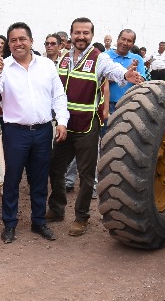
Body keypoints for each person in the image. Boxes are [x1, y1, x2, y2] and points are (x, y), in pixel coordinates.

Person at [48, 18, 143, 236]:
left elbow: (114, 71)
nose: (81, 37)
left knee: (86, 175)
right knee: (55, 168)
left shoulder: (99, 58)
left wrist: (126, 75)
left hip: (86, 127)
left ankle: (81, 217)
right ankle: (57, 208)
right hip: (64, 126)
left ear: (92, 35)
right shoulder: (62, 58)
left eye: (86, 33)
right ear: (70, 35)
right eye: (77, 33)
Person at [0, 23, 66, 244]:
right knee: (12, 179)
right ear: (9, 44)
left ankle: (39, 221)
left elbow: (58, 95)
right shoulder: (3, 66)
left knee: (39, 179)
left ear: (31, 41)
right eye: (13, 40)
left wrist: (62, 121)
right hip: (15, 132)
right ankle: (9, 224)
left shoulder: (47, 65)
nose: (18, 43)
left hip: (42, 131)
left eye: (22, 39)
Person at [104, 29, 147, 114]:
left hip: (130, 105)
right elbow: (100, 81)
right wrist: (126, 74)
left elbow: (142, 81)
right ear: (117, 39)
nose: (125, 43)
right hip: (107, 105)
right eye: (123, 39)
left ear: (133, 44)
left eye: (129, 41)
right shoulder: (105, 56)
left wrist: (135, 76)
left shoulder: (138, 59)